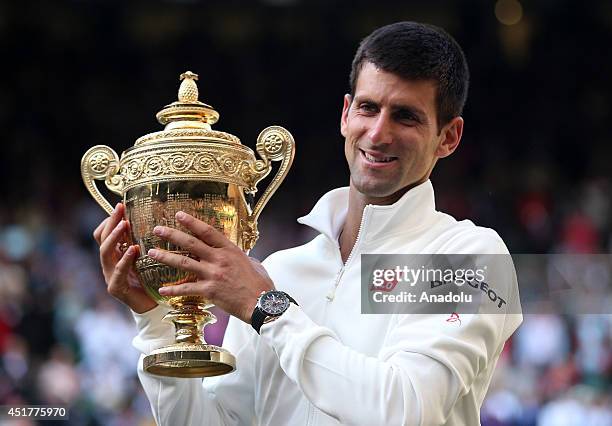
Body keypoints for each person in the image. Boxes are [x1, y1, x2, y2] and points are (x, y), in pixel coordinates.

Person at [94, 21, 522, 425]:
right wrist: (153, 319)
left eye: (405, 116)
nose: (377, 133)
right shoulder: (280, 271)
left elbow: (404, 408)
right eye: (369, 108)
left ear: (448, 137)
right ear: (345, 114)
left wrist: (269, 310)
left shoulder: (467, 256)